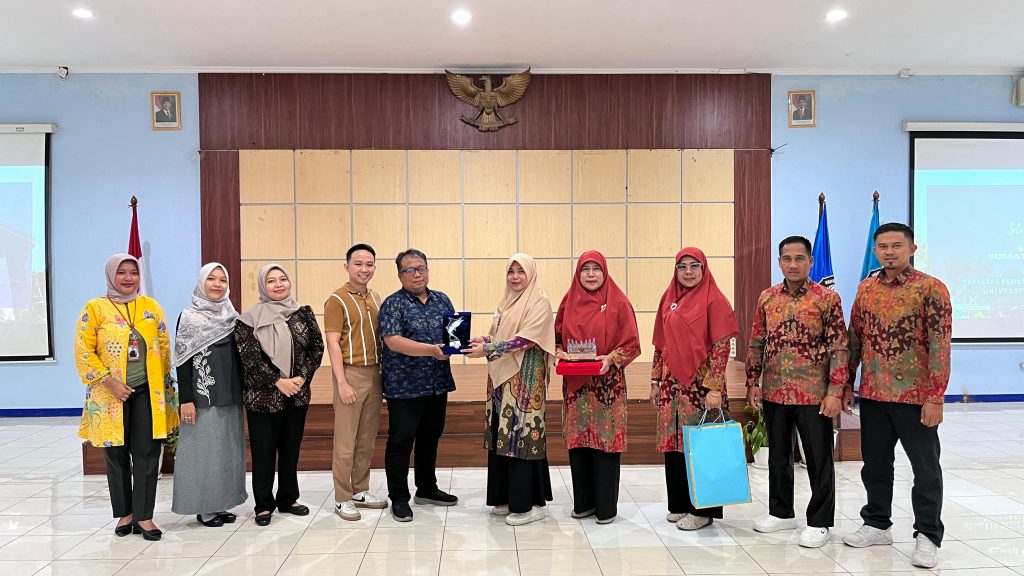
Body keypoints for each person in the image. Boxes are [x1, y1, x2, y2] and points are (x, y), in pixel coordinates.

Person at [842, 223, 952, 569]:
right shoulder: (867, 288)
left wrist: (935, 396)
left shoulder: (931, 288)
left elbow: (939, 346)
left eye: (896, 246)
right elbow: (855, 337)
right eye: (883, 247)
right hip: (874, 393)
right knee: (875, 465)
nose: (889, 252)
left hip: (916, 396)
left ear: (912, 249)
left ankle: (928, 535)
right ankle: (877, 523)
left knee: (925, 468)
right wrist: (846, 382)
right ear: (875, 251)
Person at [745, 236, 849, 548]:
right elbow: (757, 342)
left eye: (799, 258)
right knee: (778, 455)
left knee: (818, 458)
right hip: (775, 390)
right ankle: (781, 512)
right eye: (787, 259)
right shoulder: (767, 298)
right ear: (779, 262)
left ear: (810, 261)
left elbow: (839, 347)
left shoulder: (827, 299)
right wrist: (752, 381)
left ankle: (819, 521)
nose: (793, 264)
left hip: (813, 392)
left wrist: (835, 390)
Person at [74, 254, 178, 541]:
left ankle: (144, 516)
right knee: (116, 453)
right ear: (111, 276)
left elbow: (164, 347)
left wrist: (165, 388)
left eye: (134, 272)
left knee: (147, 453)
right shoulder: (94, 308)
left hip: (146, 391)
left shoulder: (150, 307)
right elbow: (83, 351)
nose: (128, 278)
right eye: (122, 272)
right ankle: (125, 514)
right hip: (109, 392)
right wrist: (110, 383)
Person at [464, 253, 557, 526]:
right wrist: (484, 339)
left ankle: (530, 504)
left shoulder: (539, 301)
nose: (515, 277)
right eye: (511, 271)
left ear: (531, 274)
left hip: (525, 382)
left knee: (523, 437)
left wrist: (487, 349)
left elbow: (525, 339)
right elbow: (502, 336)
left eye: (521, 271)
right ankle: (504, 497)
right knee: (501, 435)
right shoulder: (506, 302)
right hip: (501, 381)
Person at [650, 247, 739, 531]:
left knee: (703, 447)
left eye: (694, 266)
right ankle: (679, 504)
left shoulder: (714, 299)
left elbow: (722, 346)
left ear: (704, 268)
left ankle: (703, 510)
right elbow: (660, 344)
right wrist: (655, 380)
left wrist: (714, 388)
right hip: (672, 388)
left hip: (701, 388)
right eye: (682, 266)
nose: (688, 272)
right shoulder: (669, 298)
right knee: (675, 445)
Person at [554, 250, 640, 524]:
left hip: (607, 387)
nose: (591, 274)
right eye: (585, 269)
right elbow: (555, 338)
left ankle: (605, 508)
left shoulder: (619, 302)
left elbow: (632, 345)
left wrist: (611, 358)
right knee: (578, 443)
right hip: (576, 388)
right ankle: (584, 503)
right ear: (578, 273)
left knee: (605, 444)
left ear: (604, 272)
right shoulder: (568, 301)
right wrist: (559, 352)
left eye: (596, 269)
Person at [235, 264, 324, 527]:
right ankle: (263, 505)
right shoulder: (247, 320)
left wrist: (301, 378)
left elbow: (316, 348)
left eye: (282, 279)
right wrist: (278, 381)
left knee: (290, 449)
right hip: (262, 397)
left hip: (297, 394)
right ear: (263, 286)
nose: (278, 284)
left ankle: (288, 498)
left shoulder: (303, 313)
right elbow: (250, 360)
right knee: (263, 452)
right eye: (271, 281)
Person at [378, 248, 459, 522]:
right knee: (401, 442)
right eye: (410, 270)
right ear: (400, 275)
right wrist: (431, 350)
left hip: (437, 383)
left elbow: (453, 337)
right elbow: (393, 341)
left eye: (421, 268)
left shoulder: (442, 299)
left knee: (430, 437)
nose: (417, 274)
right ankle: (399, 498)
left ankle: (426, 488)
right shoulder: (393, 304)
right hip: (405, 386)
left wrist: (464, 344)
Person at [171, 263, 248, 527]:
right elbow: (182, 361)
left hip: (231, 394)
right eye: (211, 279)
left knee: (226, 452)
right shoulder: (189, 317)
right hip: (202, 397)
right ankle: (203, 507)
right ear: (201, 282)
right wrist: (186, 400)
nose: (217, 284)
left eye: (222, 280)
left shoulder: (232, 317)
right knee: (202, 453)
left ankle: (220, 502)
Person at [325, 244, 387, 521]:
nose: (364, 269)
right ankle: (342, 497)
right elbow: (332, 344)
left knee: (366, 439)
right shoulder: (336, 300)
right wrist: (341, 382)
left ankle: (360, 490)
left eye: (369, 264)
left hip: (375, 374)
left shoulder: (376, 297)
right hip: (350, 374)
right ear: (347, 266)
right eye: (358, 264)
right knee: (345, 441)